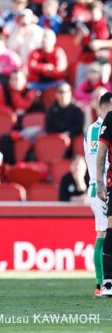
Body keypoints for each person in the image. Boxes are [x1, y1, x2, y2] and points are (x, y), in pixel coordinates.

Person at [86, 91, 112, 296]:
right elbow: (99, 160)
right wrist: (102, 185)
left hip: (103, 187)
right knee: (103, 232)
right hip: (100, 188)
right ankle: (101, 283)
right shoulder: (96, 130)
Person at [94, 91, 112, 296]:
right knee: (111, 230)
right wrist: (100, 183)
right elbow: (101, 153)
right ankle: (108, 281)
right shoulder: (111, 118)